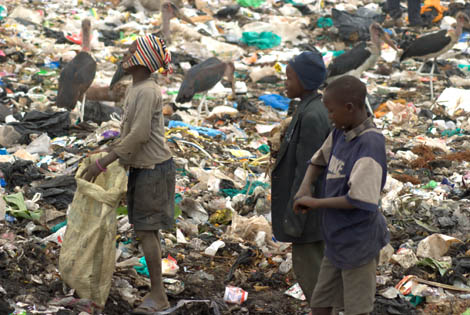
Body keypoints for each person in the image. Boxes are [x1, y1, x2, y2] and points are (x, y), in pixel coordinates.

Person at [80, 35, 175, 314]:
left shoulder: (147, 91)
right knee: (146, 230)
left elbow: (140, 135)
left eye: (132, 49)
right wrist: (108, 155)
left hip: (154, 170)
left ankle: (158, 295)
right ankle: (157, 292)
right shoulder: (137, 88)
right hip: (144, 168)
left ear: (142, 58)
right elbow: (129, 133)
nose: (126, 53)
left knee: (147, 232)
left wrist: (104, 162)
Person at [293, 75, 390, 315]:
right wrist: (305, 186)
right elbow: (318, 160)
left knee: (356, 308)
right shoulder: (340, 131)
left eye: (331, 111)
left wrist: (314, 203)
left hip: (359, 241)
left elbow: (360, 200)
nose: (329, 117)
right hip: (336, 240)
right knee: (321, 303)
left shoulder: (370, 144)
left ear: (349, 108)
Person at [271, 50, 331, 305]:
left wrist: (295, 216)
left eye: (289, 77)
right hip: (308, 210)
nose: (285, 82)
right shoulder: (307, 108)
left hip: (308, 214)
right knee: (313, 272)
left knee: (312, 274)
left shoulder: (313, 115)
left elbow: (309, 170)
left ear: (304, 81)